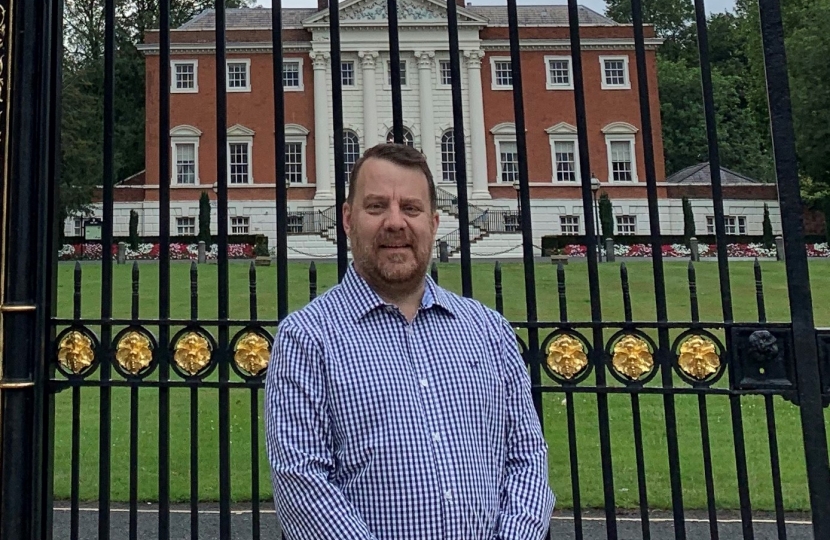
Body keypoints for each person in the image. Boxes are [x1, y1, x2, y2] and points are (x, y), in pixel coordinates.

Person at [264, 143, 554, 539]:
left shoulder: (489, 331)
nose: (395, 223)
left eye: (411, 209)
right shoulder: (307, 338)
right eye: (376, 206)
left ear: (434, 222)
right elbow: (302, 484)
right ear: (348, 218)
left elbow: (527, 459)